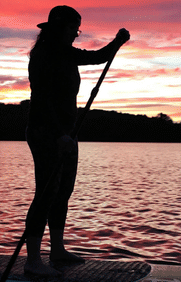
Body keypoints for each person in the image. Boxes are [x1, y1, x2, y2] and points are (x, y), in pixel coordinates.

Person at [25, 6, 130, 276]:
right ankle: (33, 261)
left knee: (63, 192)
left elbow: (98, 58)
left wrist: (117, 42)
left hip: (68, 133)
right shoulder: (43, 56)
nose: (76, 35)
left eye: (77, 29)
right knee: (46, 193)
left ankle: (57, 250)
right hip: (46, 132)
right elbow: (43, 100)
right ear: (60, 28)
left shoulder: (67, 53)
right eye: (73, 29)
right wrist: (58, 134)